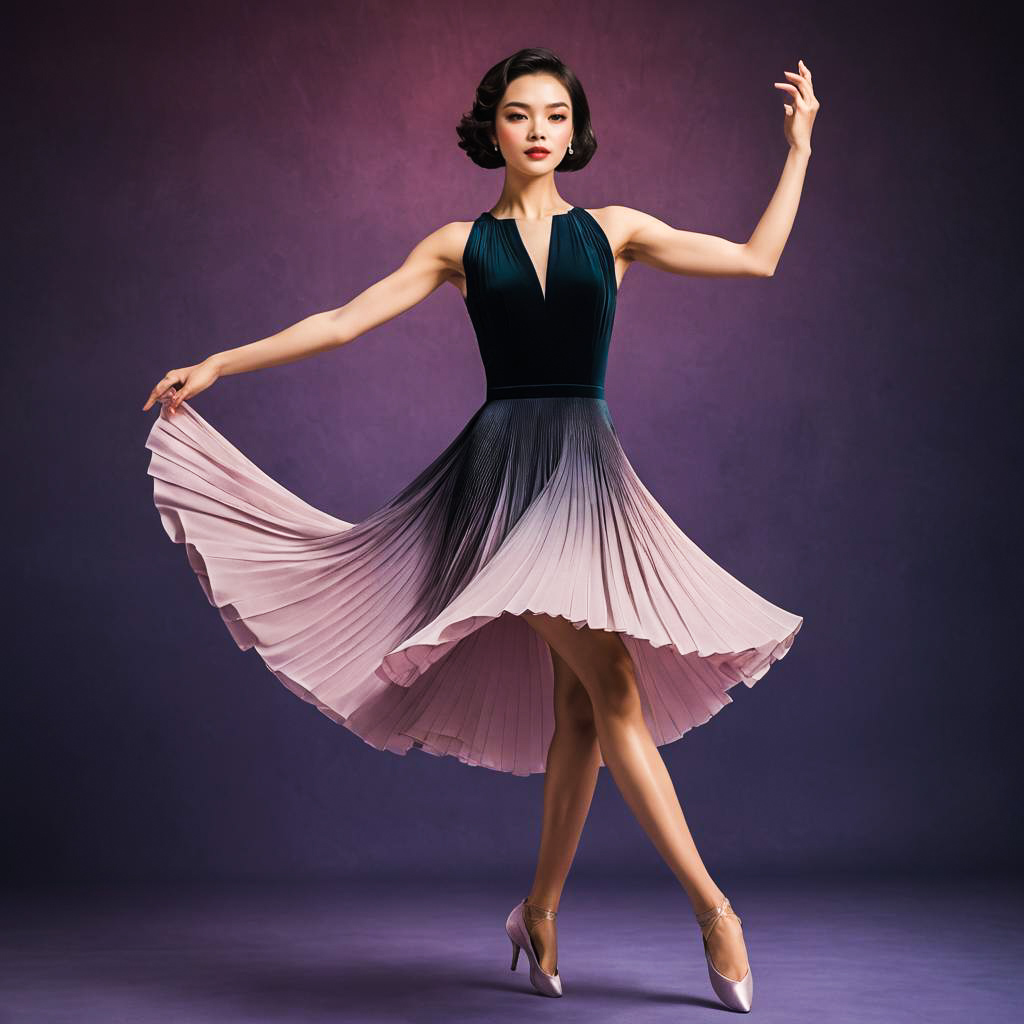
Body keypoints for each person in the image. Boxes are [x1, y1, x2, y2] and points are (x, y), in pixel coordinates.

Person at [142, 46, 818, 1012]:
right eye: (517, 114)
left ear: (575, 132)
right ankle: (714, 909)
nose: (537, 129)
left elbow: (757, 258)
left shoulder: (615, 231)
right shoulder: (459, 246)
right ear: (491, 130)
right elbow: (341, 321)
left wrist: (796, 150)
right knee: (614, 679)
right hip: (501, 487)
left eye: (553, 114)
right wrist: (221, 362)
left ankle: (537, 912)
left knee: (583, 708)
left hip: (588, 477)